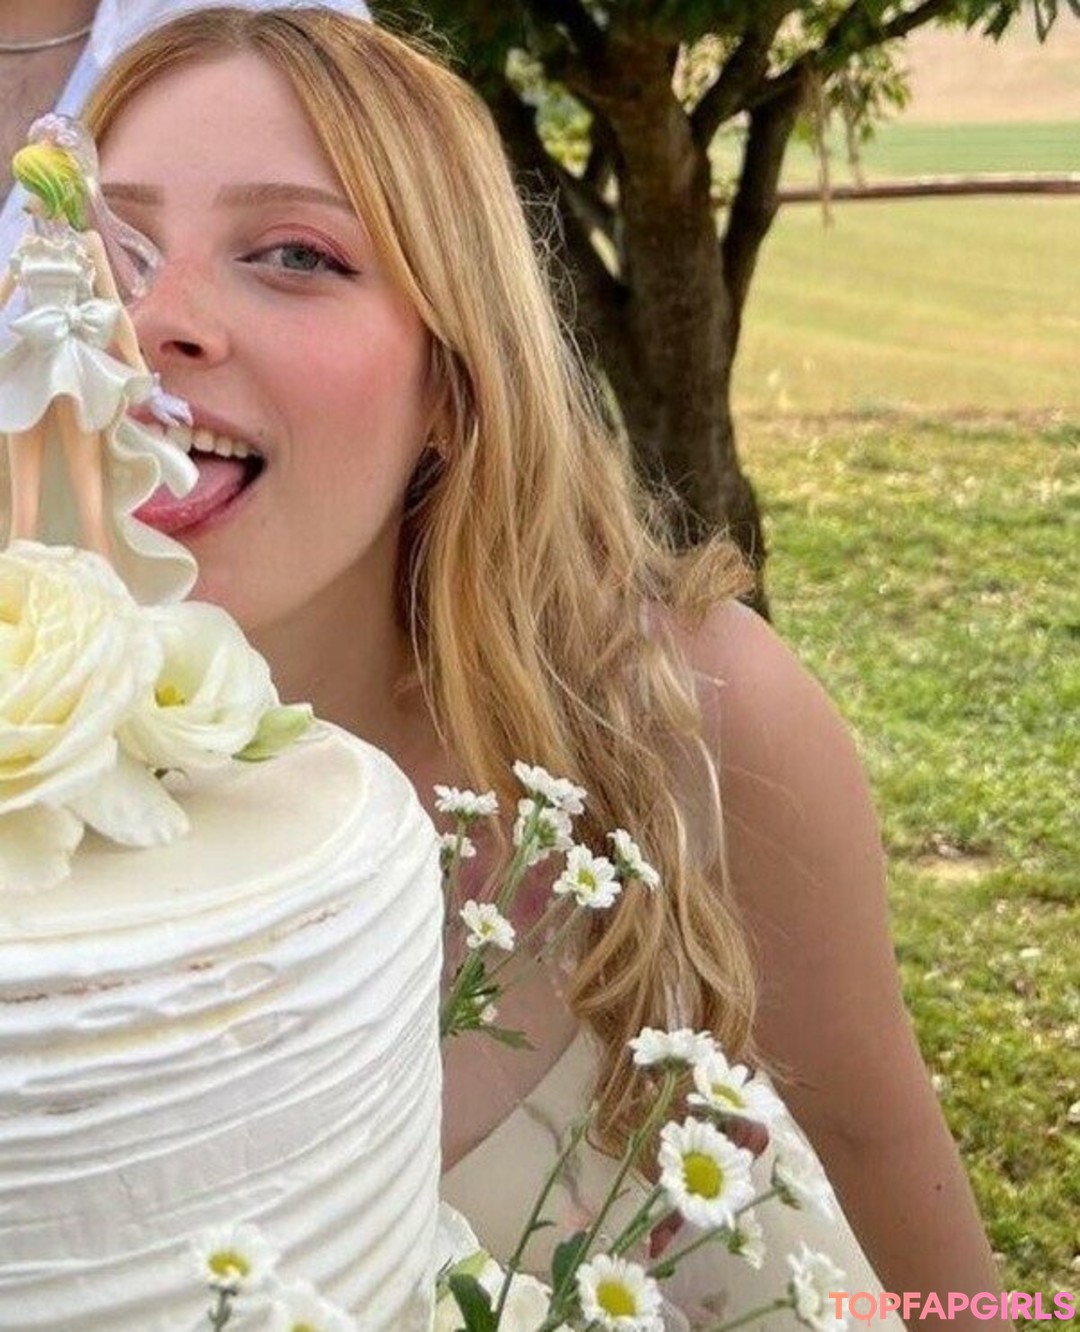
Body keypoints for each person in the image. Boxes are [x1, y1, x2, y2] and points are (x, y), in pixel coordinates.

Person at [85, 8, 1010, 1325]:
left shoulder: (691, 722)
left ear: (452, 378)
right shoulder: (36, 806)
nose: (155, 321)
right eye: (108, 253)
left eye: (295, 254)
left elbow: (904, 1199)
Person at [0, 113, 196, 600]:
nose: (28, 198)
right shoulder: (27, 245)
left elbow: (116, 315)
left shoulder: (86, 245)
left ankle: (110, 597)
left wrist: (148, 387)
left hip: (73, 367)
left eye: (34, 186)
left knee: (90, 494)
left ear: (55, 189)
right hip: (29, 365)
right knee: (24, 502)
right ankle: (16, 601)